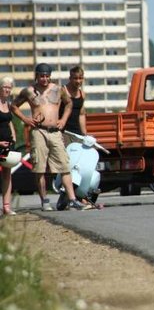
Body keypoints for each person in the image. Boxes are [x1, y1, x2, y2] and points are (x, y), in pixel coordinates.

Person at [10, 63, 90, 211]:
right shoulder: (29, 91)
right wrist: (26, 119)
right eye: (41, 76)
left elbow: (69, 104)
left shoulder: (58, 89)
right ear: (37, 76)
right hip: (38, 131)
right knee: (39, 167)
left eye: (47, 76)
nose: (44, 79)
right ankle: (44, 200)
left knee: (64, 166)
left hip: (55, 132)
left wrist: (63, 120)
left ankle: (72, 199)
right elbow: (13, 106)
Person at [0, 77, 17, 215]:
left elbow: (9, 121)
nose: (7, 89)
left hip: (8, 144)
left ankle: (6, 206)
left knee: (7, 174)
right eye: (5, 87)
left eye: (9, 87)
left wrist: (14, 137)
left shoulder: (8, 103)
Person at [59, 66, 87, 147]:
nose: (78, 81)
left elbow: (81, 114)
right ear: (70, 78)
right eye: (75, 78)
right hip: (64, 132)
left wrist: (84, 133)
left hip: (77, 133)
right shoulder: (62, 91)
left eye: (80, 78)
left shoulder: (82, 94)